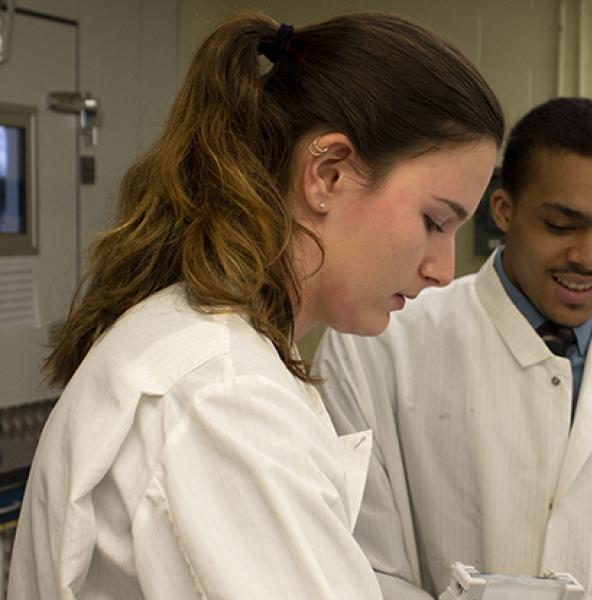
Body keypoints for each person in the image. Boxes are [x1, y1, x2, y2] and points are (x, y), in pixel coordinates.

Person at [8, 11, 503, 600]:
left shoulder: (214, 347)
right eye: (434, 222)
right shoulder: (223, 398)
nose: (443, 271)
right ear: (329, 174)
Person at [315, 97, 592, 599]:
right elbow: (358, 568)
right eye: (561, 226)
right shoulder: (379, 348)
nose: (589, 256)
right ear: (503, 209)